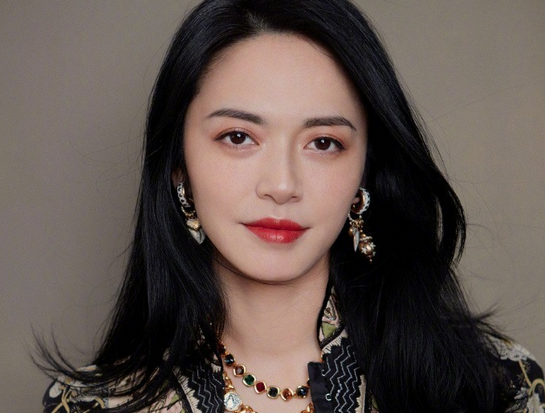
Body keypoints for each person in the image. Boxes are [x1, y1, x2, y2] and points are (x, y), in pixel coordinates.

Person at [40, 0, 544, 412]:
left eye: (323, 143)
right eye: (238, 137)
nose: (282, 185)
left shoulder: (498, 388)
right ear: (179, 167)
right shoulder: (93, 406)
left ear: (365, 171)